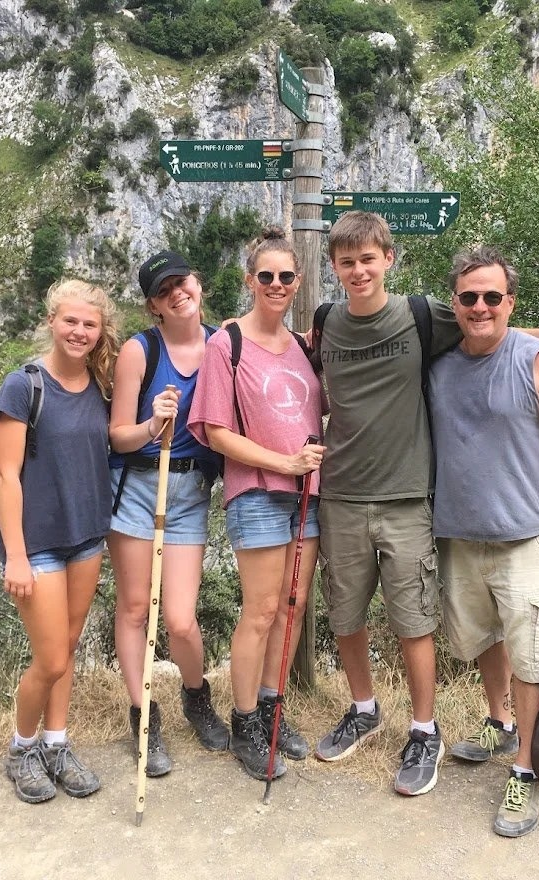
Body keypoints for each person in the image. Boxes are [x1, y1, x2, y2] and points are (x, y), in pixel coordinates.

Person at [311, 211, 539, 797]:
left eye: (368, 259)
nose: (358, 270)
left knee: (415, 621)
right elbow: (276, 347)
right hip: (346, 496)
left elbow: (494, 325)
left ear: (389, 259)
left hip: (412, 501)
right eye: (347, 261)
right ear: (333, 267)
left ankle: (427, 730)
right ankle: (366, 708)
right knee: (347, 615)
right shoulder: (325, 321)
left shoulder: (421, 317)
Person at [430, 245, 539, 837]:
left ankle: (526, 769)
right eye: (469, 297)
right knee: (481, 638)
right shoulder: (440, 364)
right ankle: (500, 726)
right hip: (459, 536)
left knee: (530, 655)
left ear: (510, 303)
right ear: (455, 303)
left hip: (527, 537)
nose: (480, 307)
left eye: (493, 297)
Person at [188, 228, 327, 781]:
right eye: (264, 276)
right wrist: (282, 462)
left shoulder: (302, 345)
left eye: (285, 277)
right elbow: (216, 431)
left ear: (297, 283)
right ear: (250, 280)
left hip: (308, 495)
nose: (275, 284)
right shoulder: (228, 344)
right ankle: (245, 718)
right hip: (257, 494)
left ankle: (272, 708)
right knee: (261, 610)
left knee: (292, 606)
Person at [0, 278, 121, 804]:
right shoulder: (23, 386)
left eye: (90, 324)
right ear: (51, 321)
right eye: (71, 321)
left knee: (66, 650)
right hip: (38, 543)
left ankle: (56, 743)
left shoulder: (100, 384)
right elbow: (6, 477)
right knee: (48, 659)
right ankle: (22, 749)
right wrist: (17, 557)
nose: (80, 331)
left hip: (87, 536)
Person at [108, 251, 229, 777]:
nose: (177, 292)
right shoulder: (140, 351)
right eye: (164, 290)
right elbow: (117, 436)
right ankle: (142, 715)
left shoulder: (224, 345)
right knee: (136, 609)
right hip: (140, 485)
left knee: (180, 619)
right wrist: (153, 423)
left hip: (191, 491)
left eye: (183, 281)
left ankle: (195, 696)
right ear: (153, 306)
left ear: (197, 283)